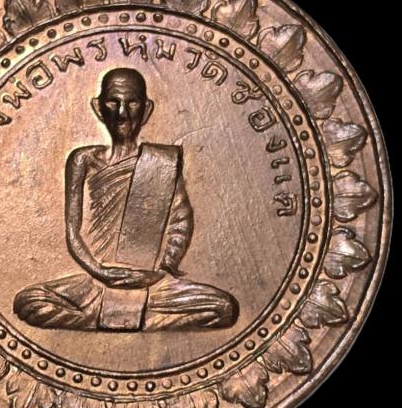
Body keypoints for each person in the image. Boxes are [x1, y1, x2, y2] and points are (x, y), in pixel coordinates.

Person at [13, 68, 239, 331]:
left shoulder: (162, 161)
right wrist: (101, 272)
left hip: (152, 283)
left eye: (131, 103)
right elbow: (72, 232)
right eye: (113, 102)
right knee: (29, 303)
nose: (122, 113)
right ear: (98, 108)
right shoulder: (83, 159)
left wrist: (161, 271)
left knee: (224, 308)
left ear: (146, 109)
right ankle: (130, 317)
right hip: (94, 281)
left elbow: (180, 222)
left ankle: (108, 317)